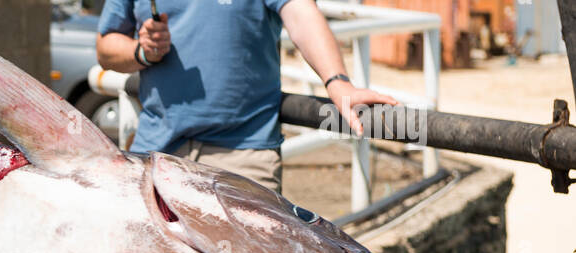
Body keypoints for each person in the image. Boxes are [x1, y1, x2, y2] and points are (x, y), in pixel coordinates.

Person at [96, 0, 397, 192]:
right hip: (155, 153)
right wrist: (142, 51)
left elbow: (302, 13)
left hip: (243, 157)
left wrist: (338, 82)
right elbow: (105, 47)